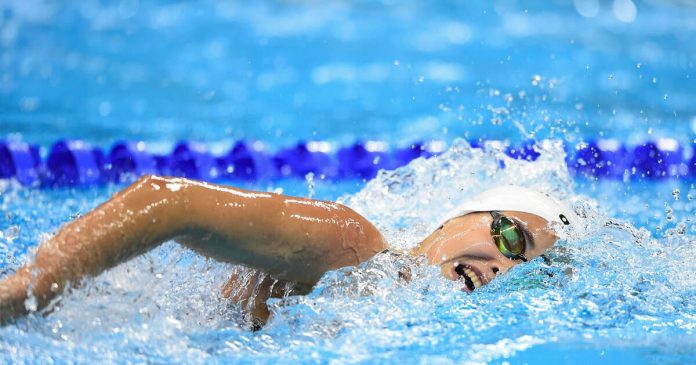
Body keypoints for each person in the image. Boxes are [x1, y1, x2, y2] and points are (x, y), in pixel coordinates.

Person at [0, 174, 578, 327]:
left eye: (525, 270)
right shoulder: (353, 244)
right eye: (509, 238)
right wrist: (24, 293)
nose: (504, 265)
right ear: (459, 218)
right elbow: (167, 201)